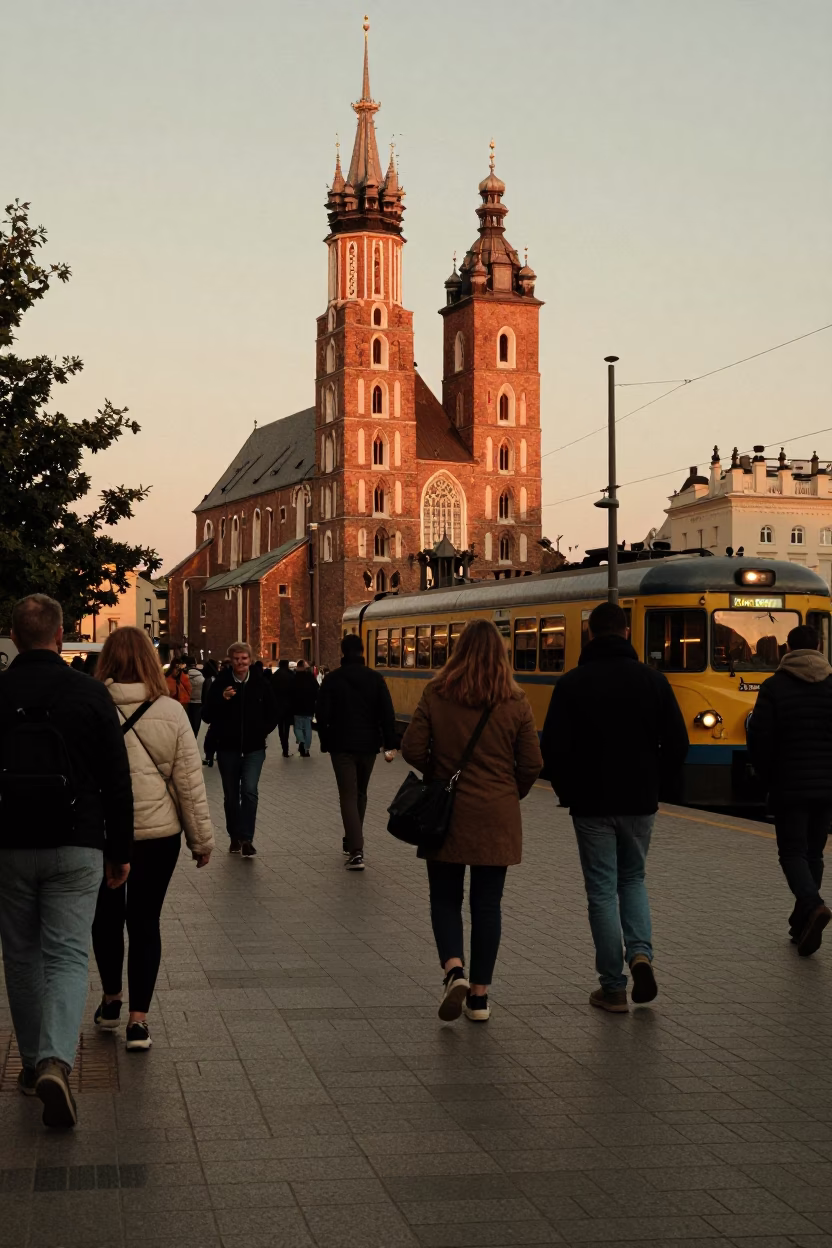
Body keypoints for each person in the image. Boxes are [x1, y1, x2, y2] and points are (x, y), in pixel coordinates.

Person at [0, 595, 132, 1128]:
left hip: (9, 844)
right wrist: (120, 849)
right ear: (61, 636)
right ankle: (58, 1059)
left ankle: (32, 1065)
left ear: (12, 637)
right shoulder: (88, 693)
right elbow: (117, 778)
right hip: (78, 842)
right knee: (68, 955)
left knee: (22, 956)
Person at [541, 601, 689, 1013]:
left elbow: (552, 747)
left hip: (591, 804)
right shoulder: (653, 681)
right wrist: (654, 782)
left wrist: (568, 790)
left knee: (602, 891)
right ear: (626, 633)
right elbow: (678, 745)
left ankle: (613, 987)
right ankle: (641, 954)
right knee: (633, 880)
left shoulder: (572, 684)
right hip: (639, 801)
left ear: (590, 634)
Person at [401, 620, 542, 1023]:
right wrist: (509, 792)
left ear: (458, 651)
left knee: (445, 898)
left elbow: (411, 747)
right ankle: (479, 998)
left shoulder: (437, 692)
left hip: (446, 813)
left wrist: (439, 776)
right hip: (497, 815)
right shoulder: (515, 700)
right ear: (501, 654)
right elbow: (532, 763)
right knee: (487, 905)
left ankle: (453, 971)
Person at [92, 628, 215, 1050]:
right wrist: (201, 840)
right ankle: (139, 1022)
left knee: (105, 918)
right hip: (158, 835)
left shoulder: (91, 706)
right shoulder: (171, 710)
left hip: (104, 833)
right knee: (145, 922)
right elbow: (187, 782)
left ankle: (111, 999)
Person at [748, 623, 832, 956]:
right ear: (820, 646)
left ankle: (812, 906)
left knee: (792, 853)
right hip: (827, 787)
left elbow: (760, 739)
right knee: (814, 852)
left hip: (789, 785)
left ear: (787, 648)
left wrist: (766, 779)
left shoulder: (774, 686)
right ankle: (802, 923)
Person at [317, 634, 398, 870]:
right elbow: (387, 713)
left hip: (341, 745)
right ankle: (353, 839)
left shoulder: (333, 680)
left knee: (348, 795)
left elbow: (321, 713)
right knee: (361, 793)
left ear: (342, 652)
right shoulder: (375, 678)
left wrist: (325, 740)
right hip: (368, 745)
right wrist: (390, 742)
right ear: (362, 651)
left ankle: (356, 849)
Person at [202, 641, 279, 855]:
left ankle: (246, 838)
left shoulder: (261, 684)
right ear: (230, 661)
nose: (240, 662)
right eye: (236, 658)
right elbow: (206, 714)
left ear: (250, 660)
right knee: (230, 795)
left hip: (254, 749)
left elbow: (274, 713)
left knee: (250, 791)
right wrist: (222, 699)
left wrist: (261, 731)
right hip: (227, 749)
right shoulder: (220, 684)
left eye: (244, 658)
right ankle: (234, 835)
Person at [291, 659, 319, 758]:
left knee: (297, 727)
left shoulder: (294, 678)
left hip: (297, 707)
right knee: (308, 728)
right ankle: (306, 749)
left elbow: (290, 693)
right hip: (309, 707)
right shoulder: (310, 678)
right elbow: (317, 690)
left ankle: (301, 741)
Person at [272, 658, 296, 757]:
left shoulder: (275, 675)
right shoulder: (291, 675)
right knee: (286, 727)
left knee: (280, 728)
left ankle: (284, 748)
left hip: (278, 705)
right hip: (289, 705)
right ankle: (286, 748)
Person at [201, 660, 219, 766]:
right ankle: (211, 755)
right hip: (218, 711)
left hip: (214, 710)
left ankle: (209, 756)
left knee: (211, 735)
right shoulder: (217, 679)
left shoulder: (209, 680)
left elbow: (206, 697)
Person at [184, 658, 205, 737]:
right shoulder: (202, 678)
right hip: (199, 701)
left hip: (187, 702)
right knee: (197, 723)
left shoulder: (184, 677)